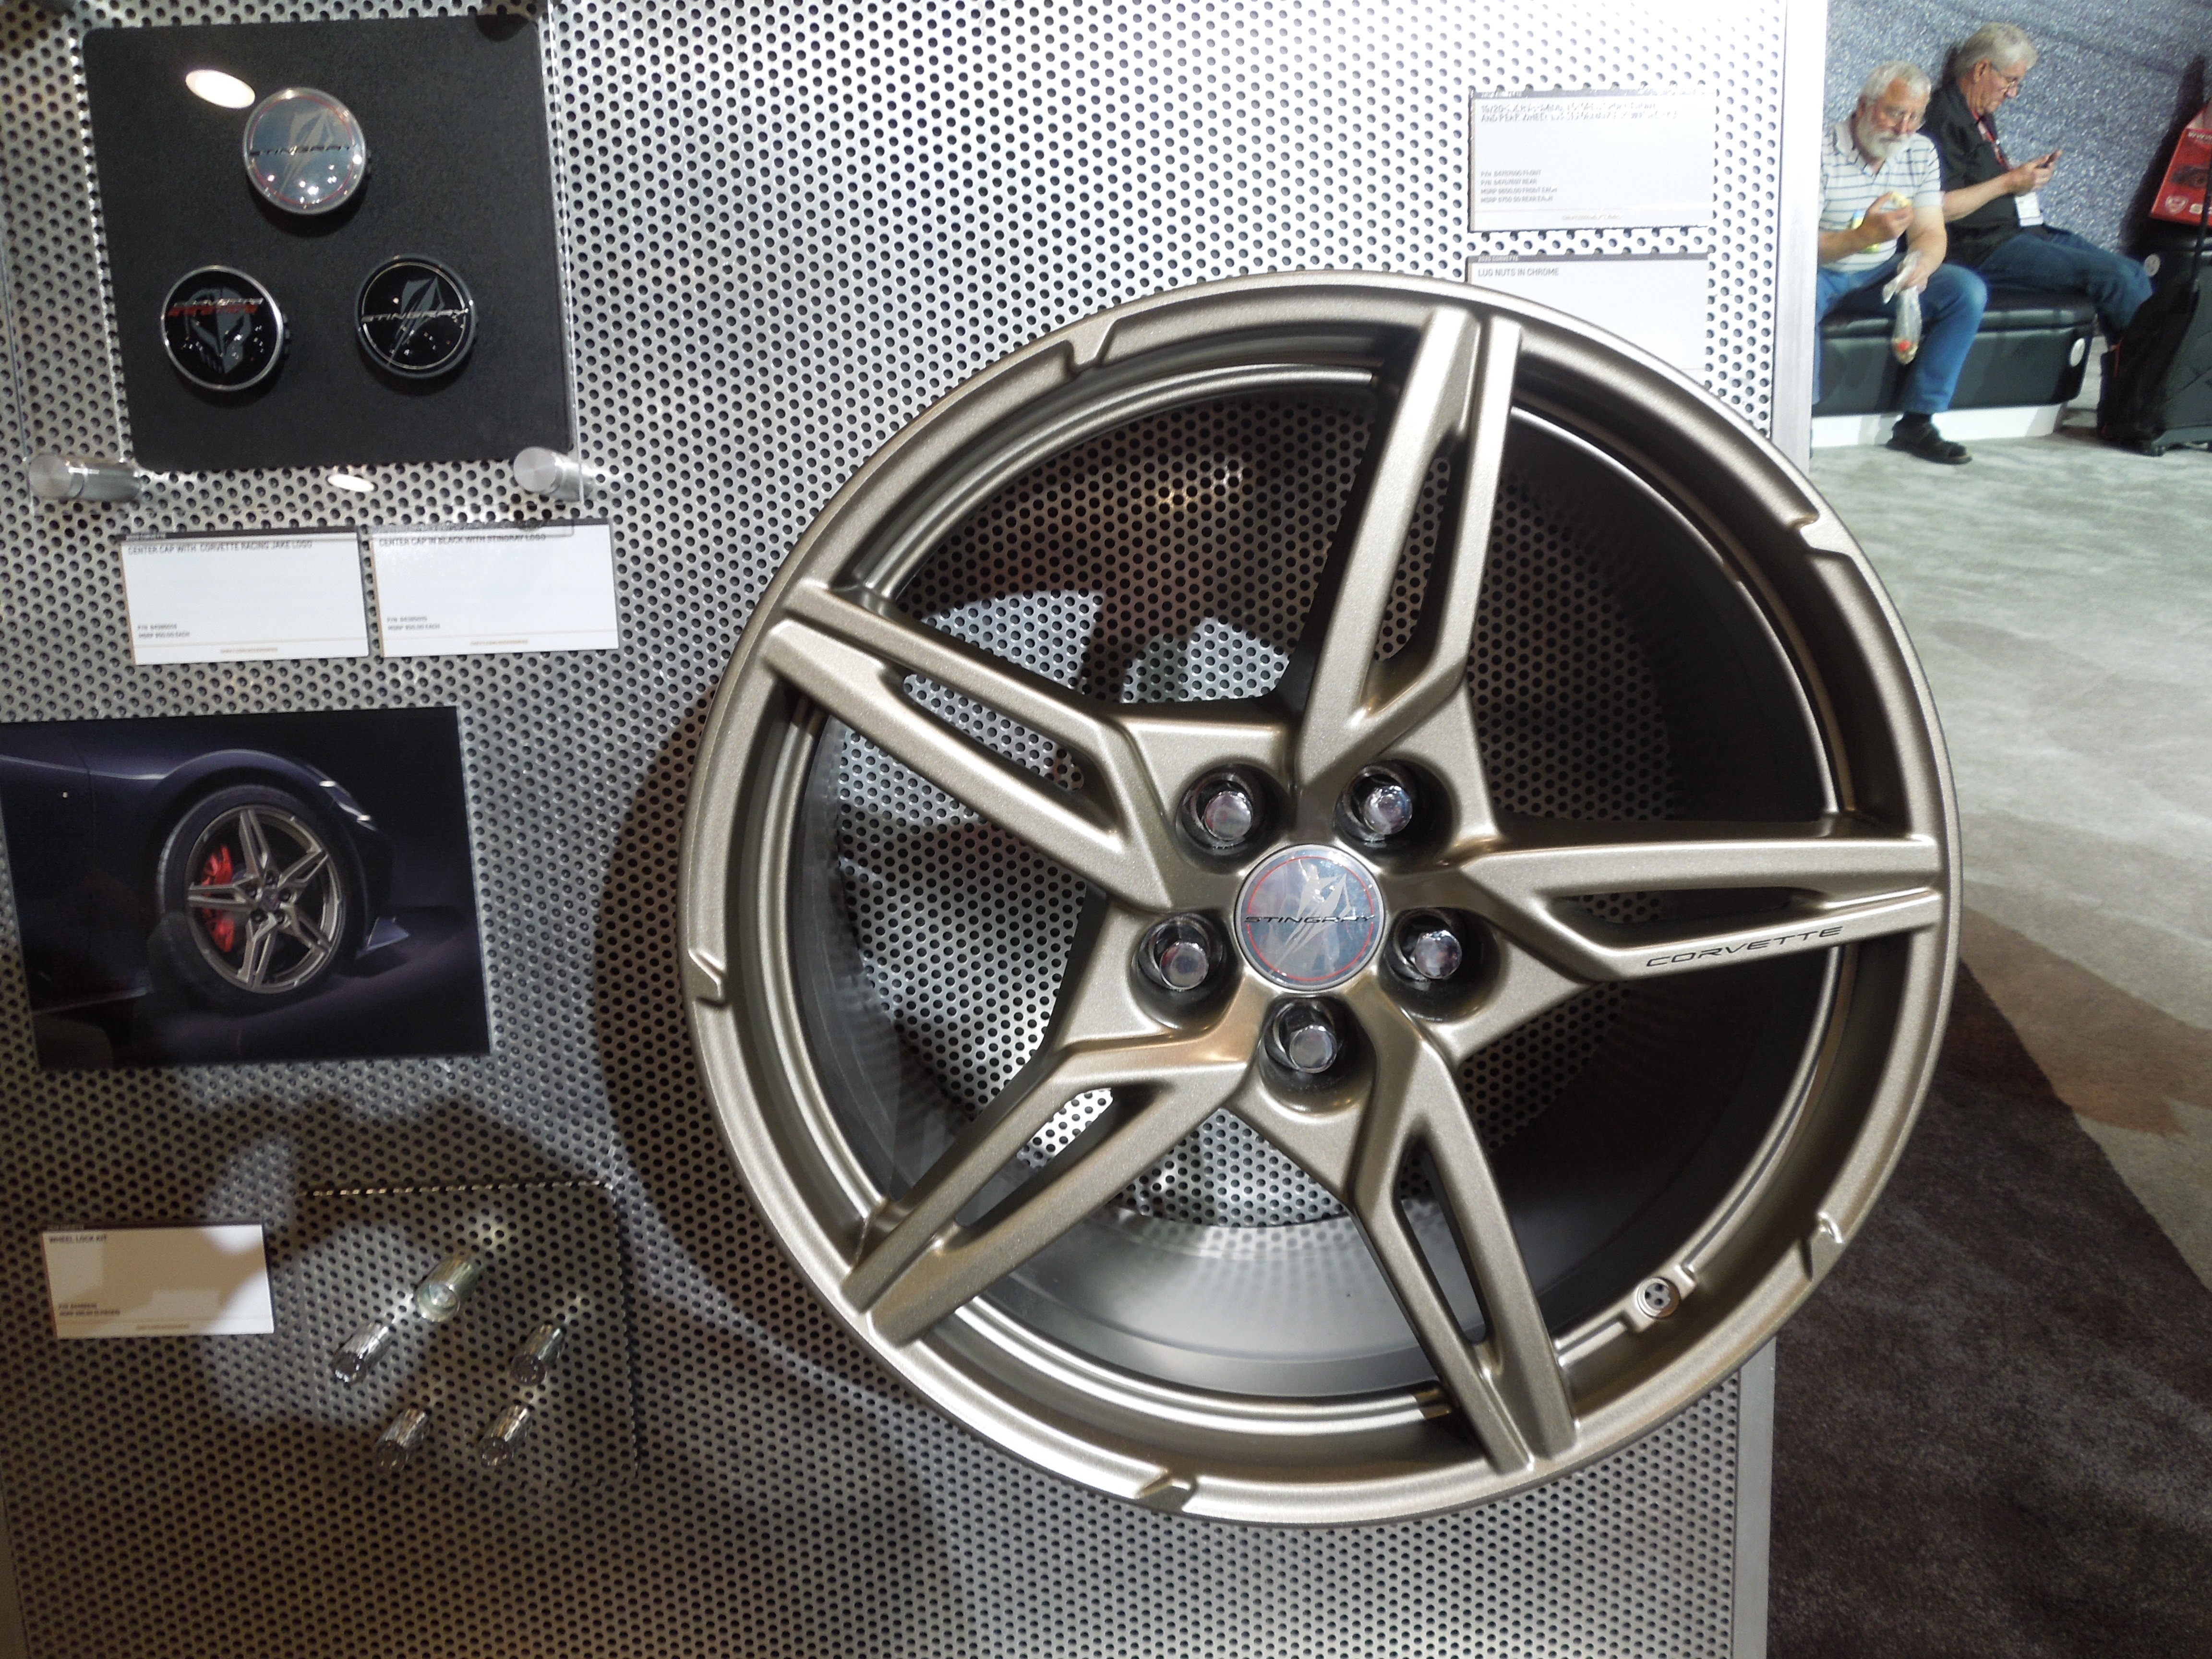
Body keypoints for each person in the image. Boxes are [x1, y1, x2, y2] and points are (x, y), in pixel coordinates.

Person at [1924, 22, 2152, 337]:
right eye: (2010, 81)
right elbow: (1942, 207)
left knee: (2133, 271)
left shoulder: (1980, 114)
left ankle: (2138, 363)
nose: (2013, 93)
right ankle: (2147, 366)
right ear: (1981, 69)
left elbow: (1984, 182)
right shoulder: (1943, 118)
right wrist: (2009, 183)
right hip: (1981, 248)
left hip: (2021, 232)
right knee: (2116, 278)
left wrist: (2023, 178)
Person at [1819, 60, 1989, 464]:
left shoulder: (1920, 152)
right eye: (1895, 113)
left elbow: (1930, 231)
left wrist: (1922, 264)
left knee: (1965, 291)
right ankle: (1794, 426)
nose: (1903, 128)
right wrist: (1864, 236)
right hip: (1819, 269)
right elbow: (1794, 248)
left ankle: (1918, 421)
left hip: (1879, 272)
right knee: (1792, 300)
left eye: (1915, 117)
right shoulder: (1818, 150)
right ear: (1864, 106)